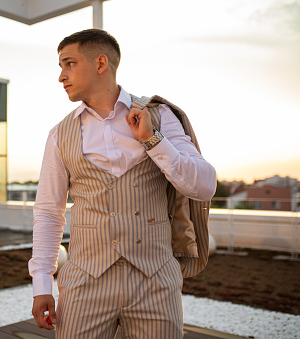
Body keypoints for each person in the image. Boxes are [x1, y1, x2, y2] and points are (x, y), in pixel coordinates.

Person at [29, 28, 217, 338]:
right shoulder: (59, 134)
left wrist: (152, 140)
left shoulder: (160, 117)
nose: (61, 76)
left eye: (69, 63)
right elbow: (49, 211)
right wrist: (41, 285)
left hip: (155, 281)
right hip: (83, 283)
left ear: (100, 63)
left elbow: (204, 185)